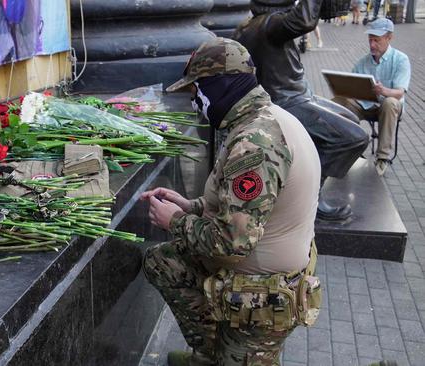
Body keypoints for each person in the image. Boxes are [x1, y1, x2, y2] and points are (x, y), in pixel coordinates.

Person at [144, 37, 322, 366]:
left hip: (263, 297)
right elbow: (245, 208)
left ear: (219, 87)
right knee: (164, 262)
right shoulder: (260, 119)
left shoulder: (256, 143)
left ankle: (233, 353)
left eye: (196, 91)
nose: (194, 101)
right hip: (255, 274)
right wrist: (191, 206)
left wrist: (174, 221)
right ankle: (212, 353)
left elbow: (230, 244)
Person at [233, 0, 370, 221]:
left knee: (351, 117)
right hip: (287, 102)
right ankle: (310, 199)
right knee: (354, 138)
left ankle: (312, 166)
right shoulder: (270, 24)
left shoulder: (250, 25)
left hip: (296, 96)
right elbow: (303, 21)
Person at [333, 18, 410, 176]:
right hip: (367, 105)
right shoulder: (363, 62)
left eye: (377, 40)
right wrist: (342, 88)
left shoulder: (401, 59)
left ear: (389, 38)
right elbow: (351, 82)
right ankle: (348, 149)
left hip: (388, 107)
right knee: (339, 102)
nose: (372, 45)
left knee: (390, 103)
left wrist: (384, 91)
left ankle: (382, 157)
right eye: (370, 40)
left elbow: (400, 92)